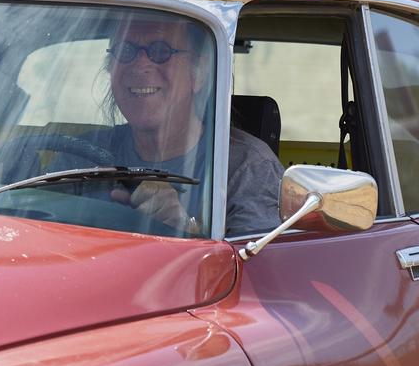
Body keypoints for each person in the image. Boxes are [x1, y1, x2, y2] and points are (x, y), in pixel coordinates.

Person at [95, 14, 282, 237]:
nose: (139, 66)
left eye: (160, 50)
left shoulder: (248, 168)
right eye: (125, 51)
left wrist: (186, 228)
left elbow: (256, 265)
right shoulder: (83, 155)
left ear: (199, 72)